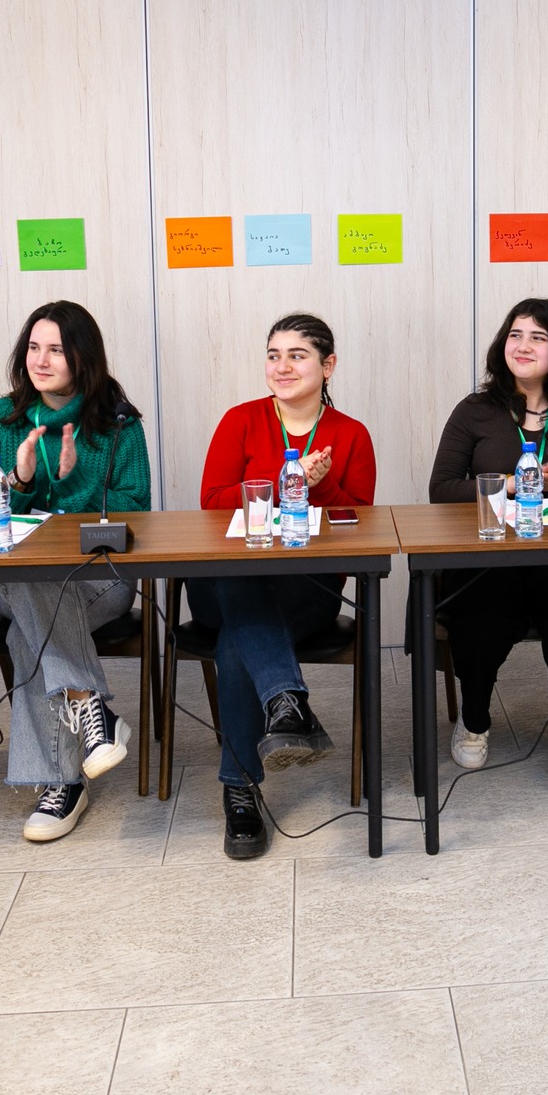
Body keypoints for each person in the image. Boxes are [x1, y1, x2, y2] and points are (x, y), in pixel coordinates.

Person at [0, 301, 149, 841]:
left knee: (27, 634)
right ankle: (91, 709)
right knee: (28, 577)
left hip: (100, 580)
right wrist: (19, 482)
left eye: (56, 350)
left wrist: (72, 488)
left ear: (83, 358)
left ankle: (62, 783)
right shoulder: (1, 420)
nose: (40, 361)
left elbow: (136, 506)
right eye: (33, 348)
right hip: (22, 582)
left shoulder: (118, 422)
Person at [196, 313, 377, 858]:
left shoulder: (351, 434)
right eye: (274, 355)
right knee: (241, 585)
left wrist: (320, 488)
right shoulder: (240, 420)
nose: (282, 366)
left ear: (328, 365)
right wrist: (279, 486)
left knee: (238, 641)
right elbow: (211, 504)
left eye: (297, 355)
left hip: (305, 589)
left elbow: (358, 522)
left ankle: (240, 788)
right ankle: (286, 699)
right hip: (226, 581)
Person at [429, 299, 548, 790]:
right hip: (492, 552)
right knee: (479, 609)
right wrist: (509, 484)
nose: (523, 345)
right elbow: (441, 489)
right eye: (515, 334)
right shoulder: (475, 411)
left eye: (538, 337)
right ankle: (473, 719)